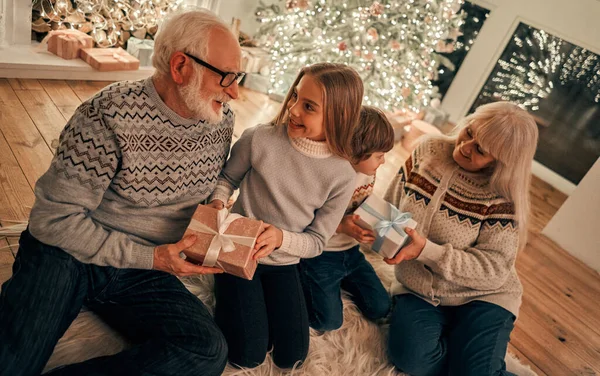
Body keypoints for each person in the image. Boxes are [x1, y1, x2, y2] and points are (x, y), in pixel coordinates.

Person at [0, 9, 243, 376]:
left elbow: (206, 186)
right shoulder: (107, 115)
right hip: (69, 254)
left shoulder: (219, 119)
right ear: (180, 67)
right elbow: (53, 221)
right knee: (12, 363)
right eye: (226, 77)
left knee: (206, 351)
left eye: (238, 77)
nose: (235, 92)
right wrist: (153, 258)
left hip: (142, 268)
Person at [209, 63, 364, 369]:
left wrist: (281, 239)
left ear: (339, 116)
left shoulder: (343, 176)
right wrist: (217, 203)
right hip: (237, 252)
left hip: (284, 263)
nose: (293, 110)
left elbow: (317, 241)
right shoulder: (260, 139)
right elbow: (227, 179)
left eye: (308, 106)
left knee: (291, 356)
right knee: (248, 355)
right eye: (295, 97)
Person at [384, 101, 539, 376]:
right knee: (411, 360)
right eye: (469, 132)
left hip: (483, 296)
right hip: (419, 290)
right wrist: (372, 229)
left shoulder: (503, 197)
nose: (464, 147)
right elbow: (392, 207)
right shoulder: (428, 150)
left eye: (480, 149)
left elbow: (493, 270)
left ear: (502, 163)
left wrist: (426, 252)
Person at [299, 105, 394, 331]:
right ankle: (298, 280)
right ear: (357, 151)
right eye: (379, 156)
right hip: (319, 255)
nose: (383, 162)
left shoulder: (367, 172)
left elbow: (362, 205)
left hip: (351, 253)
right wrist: (341, 226)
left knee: (381, 308)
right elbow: (301, 222)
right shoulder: (329, 176)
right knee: (328, 321)